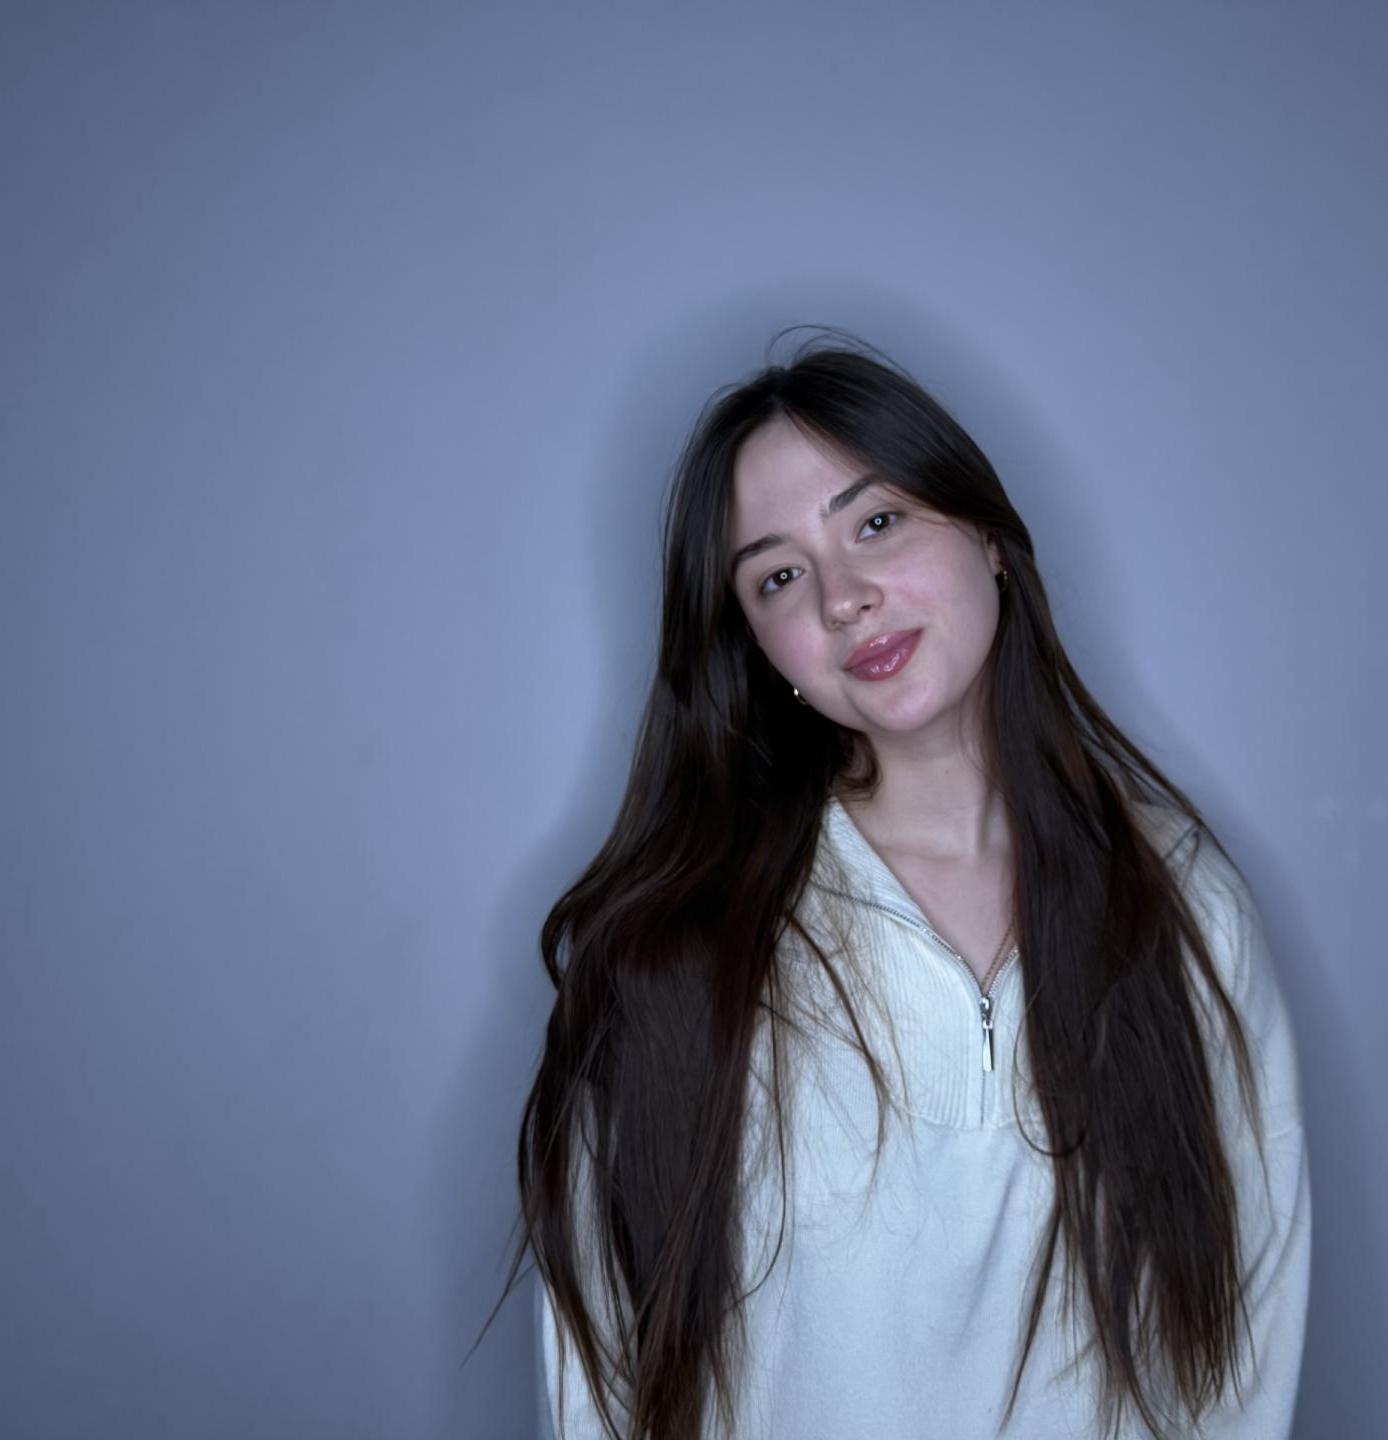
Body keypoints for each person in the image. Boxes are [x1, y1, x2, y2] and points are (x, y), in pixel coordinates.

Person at [512, 332, 1310, 1439]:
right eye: (780, 577)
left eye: (877, 523)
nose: (844, 598)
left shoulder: (1183, 908)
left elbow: (1244, 1346)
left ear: (987, 535)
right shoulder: (673, 946)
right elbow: (602, 1380)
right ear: (756, 647)